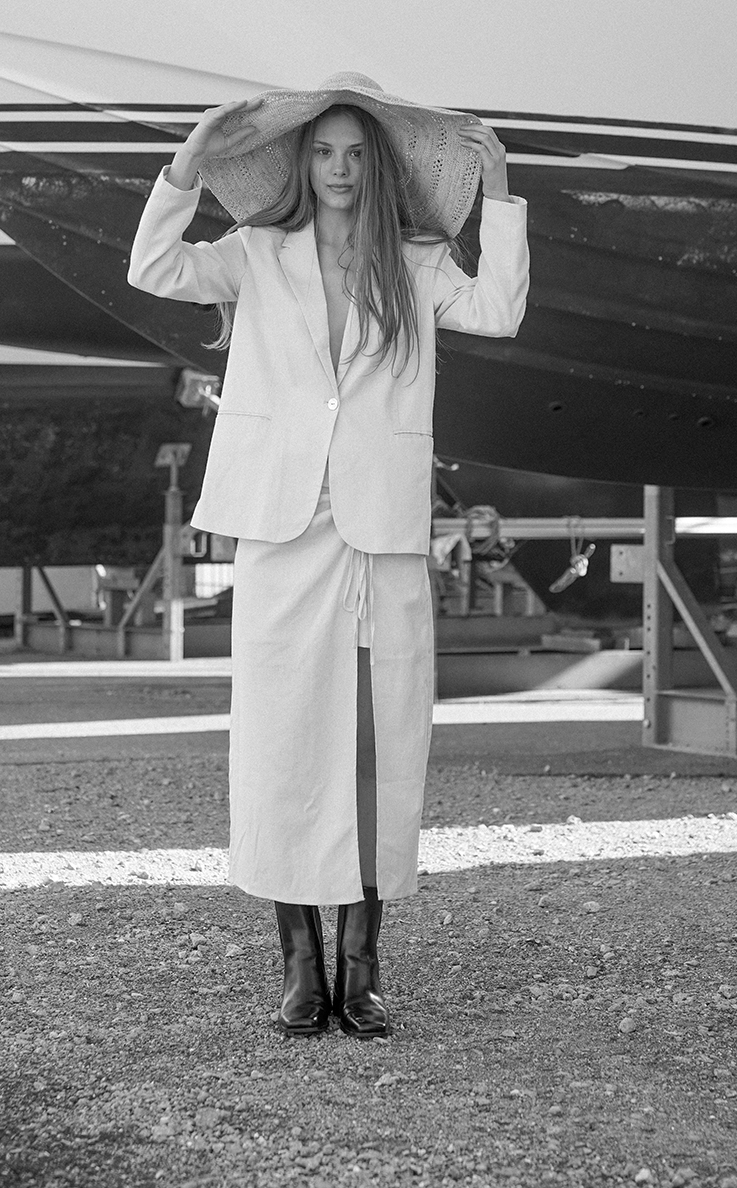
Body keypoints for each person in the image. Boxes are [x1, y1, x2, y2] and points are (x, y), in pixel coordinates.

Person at [128, 73, 529, 1038]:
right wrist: (189, 160)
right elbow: (154, 267)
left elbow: (501, 311)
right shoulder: (256, 252)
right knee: (282, 740)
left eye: (354, 153)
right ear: (302, 163)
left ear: (377, 164)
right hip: (280, 523)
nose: (339, 169)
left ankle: (363, 965)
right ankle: (298, 963)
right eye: (322, 152)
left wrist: (502, 195)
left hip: (379, 527)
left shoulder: (418, 261)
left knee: (379, 741)